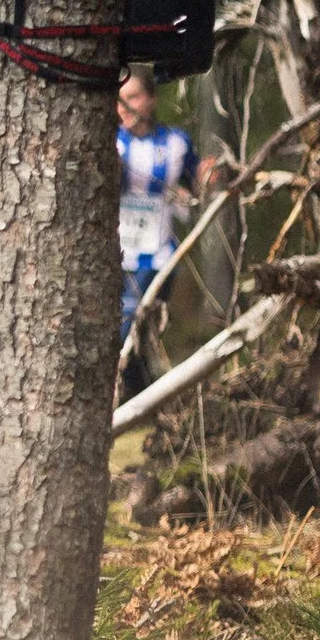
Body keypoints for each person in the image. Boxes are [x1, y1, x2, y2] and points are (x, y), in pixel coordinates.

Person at [117, 70, 202, 398]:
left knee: (138, 319)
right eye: (118, 99)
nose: (123, 107)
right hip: (115, 251)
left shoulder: (176, 142)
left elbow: (198, 187)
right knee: (124, 322)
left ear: (151, 100)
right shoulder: (108, 140)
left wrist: (208, 179)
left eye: (133, 97)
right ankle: (136, 394)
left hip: (159, 253)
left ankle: (135, 395)